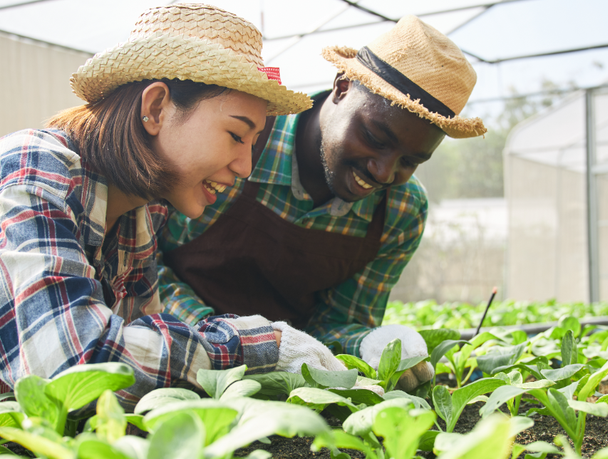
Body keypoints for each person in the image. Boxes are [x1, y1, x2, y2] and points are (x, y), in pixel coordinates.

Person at [0, 3, 348, 426]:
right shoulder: (33, 169)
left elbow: (142, 356)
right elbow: (74, 368)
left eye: (254, 143)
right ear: (156, 107)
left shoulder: (140, 216)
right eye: (236, 135)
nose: (244, 167)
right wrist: (255, 346)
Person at [157, 15, 488, 391]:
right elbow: (145, 267)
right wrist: (230, 338)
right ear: (342, 87)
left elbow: (337, 323)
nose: (383, 173)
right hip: (170, 358)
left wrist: (369, 343)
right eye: (374, 138)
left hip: (288, 388)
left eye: (410, 161)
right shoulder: (240, 141)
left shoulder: (401, 211)